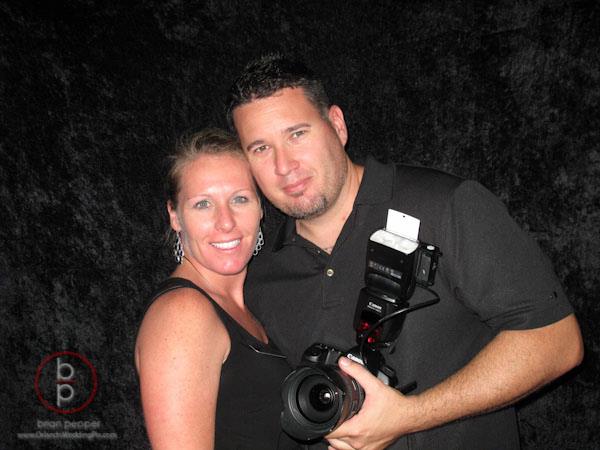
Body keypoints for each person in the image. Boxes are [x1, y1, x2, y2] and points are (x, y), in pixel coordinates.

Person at [225, 55, 584, 450]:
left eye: (297, 134)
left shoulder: (443, 205)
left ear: (337, 125)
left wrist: (409, 416)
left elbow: (557, 341)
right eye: (260, 148)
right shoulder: (262, 279)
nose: (284, 165)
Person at [135, 129, 300, 449]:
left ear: (261, 208)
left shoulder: (254, 301)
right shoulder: (182, 314)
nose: (225, 222)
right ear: (175, 216)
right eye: (202, 204)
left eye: (240, 199)